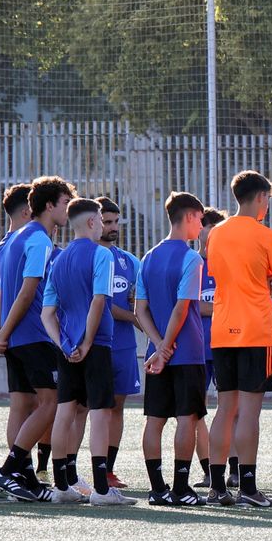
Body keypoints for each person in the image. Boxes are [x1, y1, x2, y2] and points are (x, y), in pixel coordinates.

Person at [204, 170, 272, 508]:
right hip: (256, 331)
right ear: (260, 197)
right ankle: (249, 488)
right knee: (249, 414)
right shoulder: (267, 236)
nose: (268, 206)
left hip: (222, 330)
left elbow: (219, 275)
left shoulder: (216, 234)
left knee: (224, 409)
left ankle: (216, 488)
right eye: (268, 199)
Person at [40, 197, 134, 506]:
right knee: (100, 414)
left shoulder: (58, 259)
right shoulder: (101, 255)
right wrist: (87, 342)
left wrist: (65, 344)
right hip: (96, 345)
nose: (105, 226)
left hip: (66, 347)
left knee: (65, 411)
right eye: (102, 220)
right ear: (93, 222)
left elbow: (47, 313)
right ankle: (102, 490)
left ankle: (62, 486)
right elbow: (98, 301)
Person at [0, 176, 73, 501]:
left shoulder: (13, 239)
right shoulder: (38, 240)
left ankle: (22, 479)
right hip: (33, 336)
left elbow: (3, 294)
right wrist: (4, 334)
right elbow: (26, 292)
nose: (68, 210)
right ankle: (11, 469)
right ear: (49, 205)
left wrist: (0, 333)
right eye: (64, 203)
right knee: (51, 403)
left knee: (23, 405)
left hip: (18, 337)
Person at [135, 192, 209, 506]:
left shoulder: (149, 256)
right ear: (190, 216)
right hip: (187, 351)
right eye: (200, 219)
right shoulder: (192, 258)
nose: (202, 226)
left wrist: (158, 345)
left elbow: (140, 309)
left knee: (155, 420)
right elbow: (181, 309)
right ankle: (181, 488)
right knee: (187, 418)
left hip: (158, 355)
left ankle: (157, 489)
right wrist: (166, 348)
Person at [99, 197, 142, 490]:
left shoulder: (129, 261)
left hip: (124, 347)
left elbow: (138, 299)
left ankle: (108, 470)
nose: (113, 228)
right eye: (107, 222)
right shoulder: (86, 256)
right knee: (81, 408)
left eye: (116, 222)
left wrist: (138, 310)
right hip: (95, 345)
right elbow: (103, 305)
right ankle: (69, 468)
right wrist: (134, 316)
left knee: (117, 407)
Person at [192, 206, 225, 488]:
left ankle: (236, 470)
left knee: (232, 410)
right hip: (197, 348)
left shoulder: (230, 265)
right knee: (196, 411)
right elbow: (191, 305)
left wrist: (209, 308)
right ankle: (208, 470)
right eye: (207, 228)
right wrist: (223, 307)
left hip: (228, 345)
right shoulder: (192, 263)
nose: (211, 234)